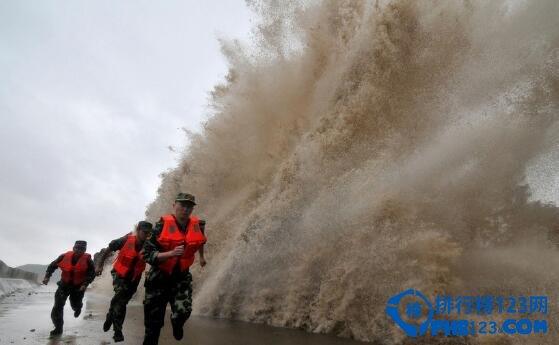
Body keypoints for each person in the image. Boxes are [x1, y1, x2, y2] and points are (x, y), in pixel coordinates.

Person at [142, 192, 207, 345]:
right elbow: (146, 253)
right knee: (153, 325)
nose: (185, 209)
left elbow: (200, 241)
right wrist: (170, 254)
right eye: (182, 205)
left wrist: (202, 257)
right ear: (174, 206)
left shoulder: (198, 225)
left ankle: (177, 323)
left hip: (181, 277)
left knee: (184, 311)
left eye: (189, 206)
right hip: (159, 278)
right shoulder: (161, 225)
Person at [94, 221, 153, 342]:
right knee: (120, 299)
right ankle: (118, 331)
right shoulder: (125, 240)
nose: (145, 235)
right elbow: (109, 249)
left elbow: (153, 258)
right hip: (119, 274)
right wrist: (100, 265)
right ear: (138, 230)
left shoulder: (149, 245)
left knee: (123, 301)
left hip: (134, 278)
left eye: (148, 233)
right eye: (143, 232)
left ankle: (111, 314)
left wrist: (150, 271)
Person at [42, 240, 95, 337]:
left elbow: (92, 273)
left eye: (82, 249)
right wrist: (47, 277)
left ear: (85, 250)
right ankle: (58, 328)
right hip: (64, 285)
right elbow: (52, 266)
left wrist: (85, 284)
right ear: (73, 248)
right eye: (77, 248)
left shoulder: (88, 260)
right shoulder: (63, 256)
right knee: (57, 307)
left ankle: (78, 308)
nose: (79, 250)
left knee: (74, 303)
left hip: (78, 287)